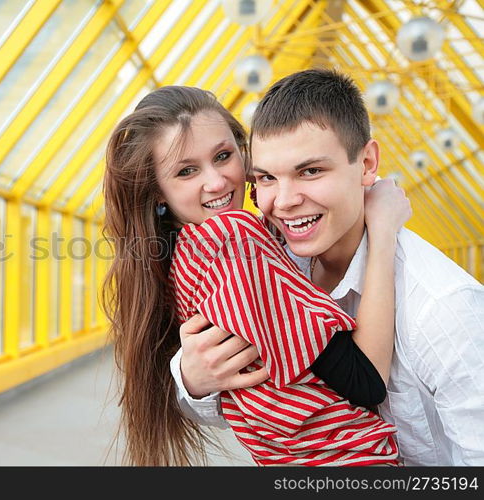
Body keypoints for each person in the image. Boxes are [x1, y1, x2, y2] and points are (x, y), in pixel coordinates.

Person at [172, 69, 484, 466]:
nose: (283, 202)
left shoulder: (445, 311)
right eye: (267, 177)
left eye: (310, 171)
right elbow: (244, 402)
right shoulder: (274, 262)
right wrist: (192, 380)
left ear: (367, 163)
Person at [103, 84, 411, 466]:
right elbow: (365, 381)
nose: (216, 182)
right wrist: (383, 230)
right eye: (186, 171)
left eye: (223, 156)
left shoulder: (180, 262)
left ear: (244, 154)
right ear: (158, 191)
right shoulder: (233, 240)